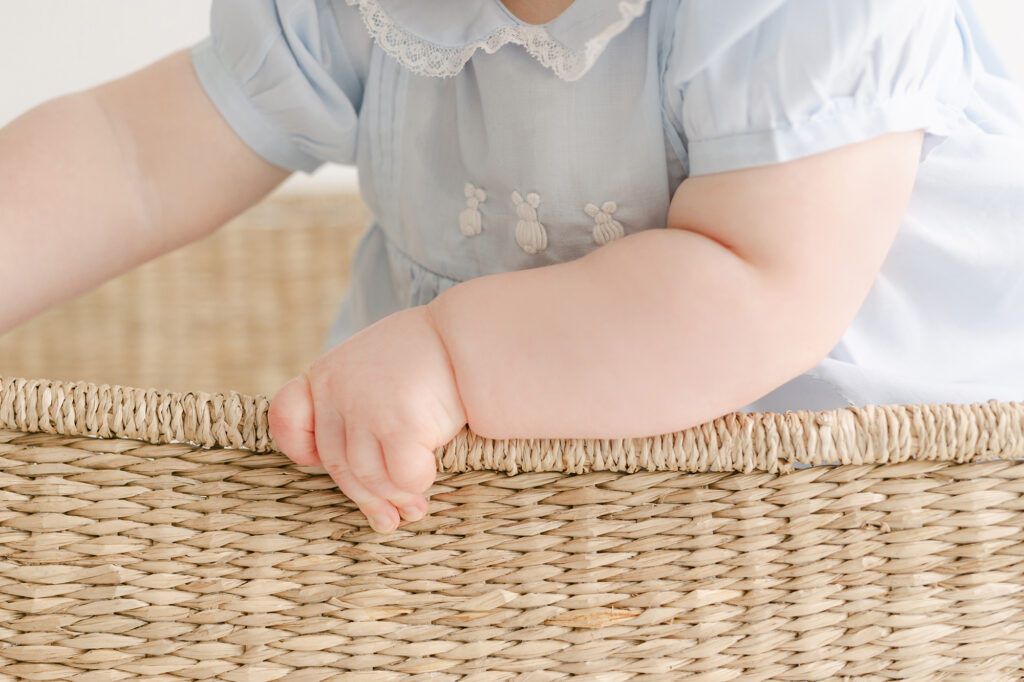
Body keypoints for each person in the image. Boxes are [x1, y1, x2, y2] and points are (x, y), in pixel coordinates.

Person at [2, 0, 1022, 535]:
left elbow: (757, 280)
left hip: (847, 531)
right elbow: (134, 156)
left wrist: (448, 355)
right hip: (506, 535)